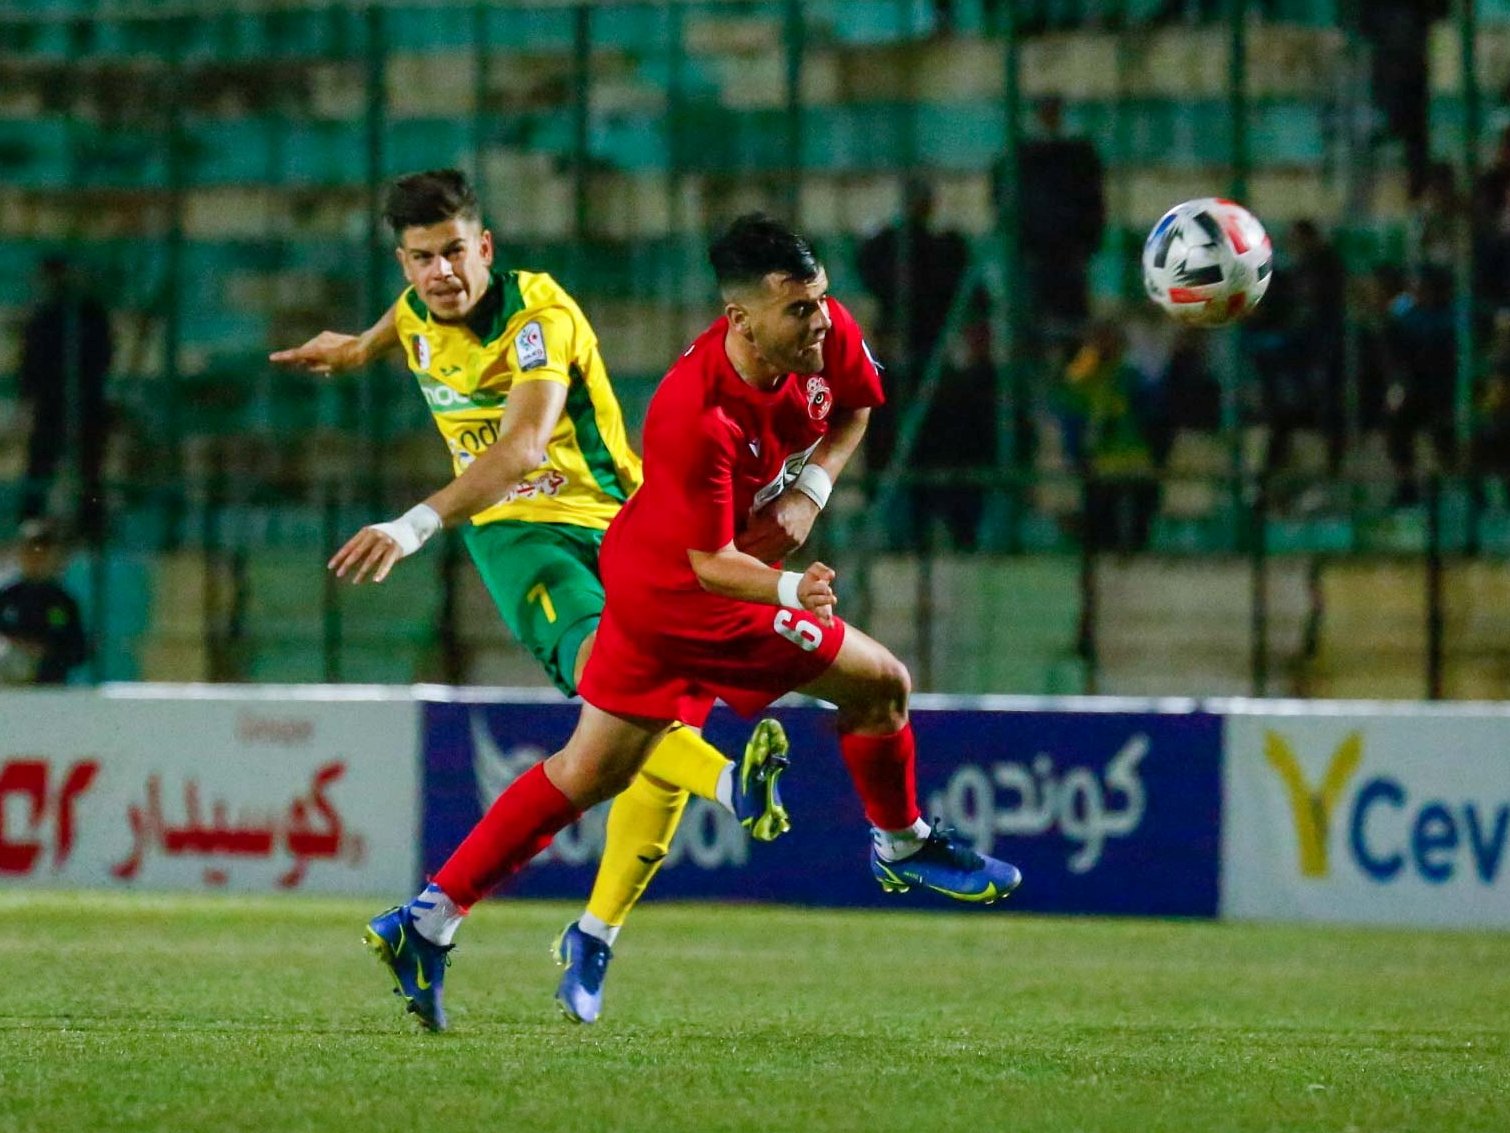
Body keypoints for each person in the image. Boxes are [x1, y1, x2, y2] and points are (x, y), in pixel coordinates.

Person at [354, 213, 1022, 1032]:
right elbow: (711, 565)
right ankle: (900, 840)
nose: (819, 320)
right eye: (798, 309)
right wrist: (789, 588)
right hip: (689, 599)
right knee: (882, 684)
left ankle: (425, 920)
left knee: (585, 772)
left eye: (820, 299)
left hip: (644, 577)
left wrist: (811, 492)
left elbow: (856, 407)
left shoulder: (825, 333)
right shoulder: (692, 412)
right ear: (742, 319)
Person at [271, 171, 816, 1026]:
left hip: (626, 524)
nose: (441, 272)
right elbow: (397, 329)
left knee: (642, 730)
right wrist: (350, 350)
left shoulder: (538, 316)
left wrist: (412, 525)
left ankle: (525, 926)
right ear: (403, 263)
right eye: (421, 257)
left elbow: (524, 447)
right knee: (616, 685)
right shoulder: (414, 310)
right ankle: (730, 787)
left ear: (485, 247)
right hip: (521, 539)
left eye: (455, 251)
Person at [856, 179, 993, 548]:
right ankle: (916, 531)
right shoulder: (912, 251)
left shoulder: (920, 252)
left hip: (926, 364)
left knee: (928, 450)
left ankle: (923, 530)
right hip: (920, 365)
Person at [17, 256, 114, 536]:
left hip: (71, 400)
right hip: (64, 400)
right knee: (55, 464)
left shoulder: (78, 317)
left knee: (82, 466)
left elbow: (32, 365)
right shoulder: (55, 317)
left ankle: (84, 520)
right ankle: (42, 519)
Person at [0, 518, 87, 685]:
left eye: (42, 552)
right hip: (9, 689)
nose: (35, 557)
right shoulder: (6, 597)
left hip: (48, 687)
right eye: (30, 550)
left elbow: (78, 651)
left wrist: (45, 652)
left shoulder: (62, 601)